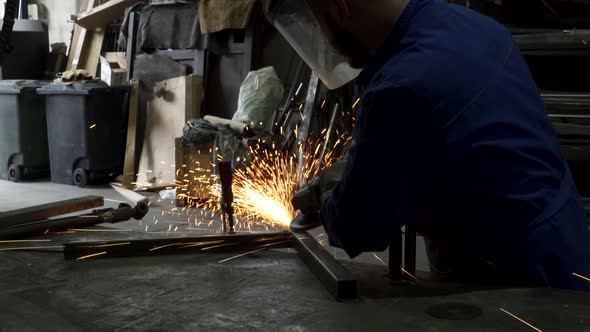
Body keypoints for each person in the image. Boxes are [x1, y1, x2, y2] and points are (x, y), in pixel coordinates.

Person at [266, 0, 590, 291]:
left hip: (518, 284)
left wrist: (330, 202)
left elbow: (359, 227)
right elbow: (452, 146)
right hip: (566, 242)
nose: (328, 45)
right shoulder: (473, 25)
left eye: (319, 24)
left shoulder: (401, 85)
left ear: (340, 8)